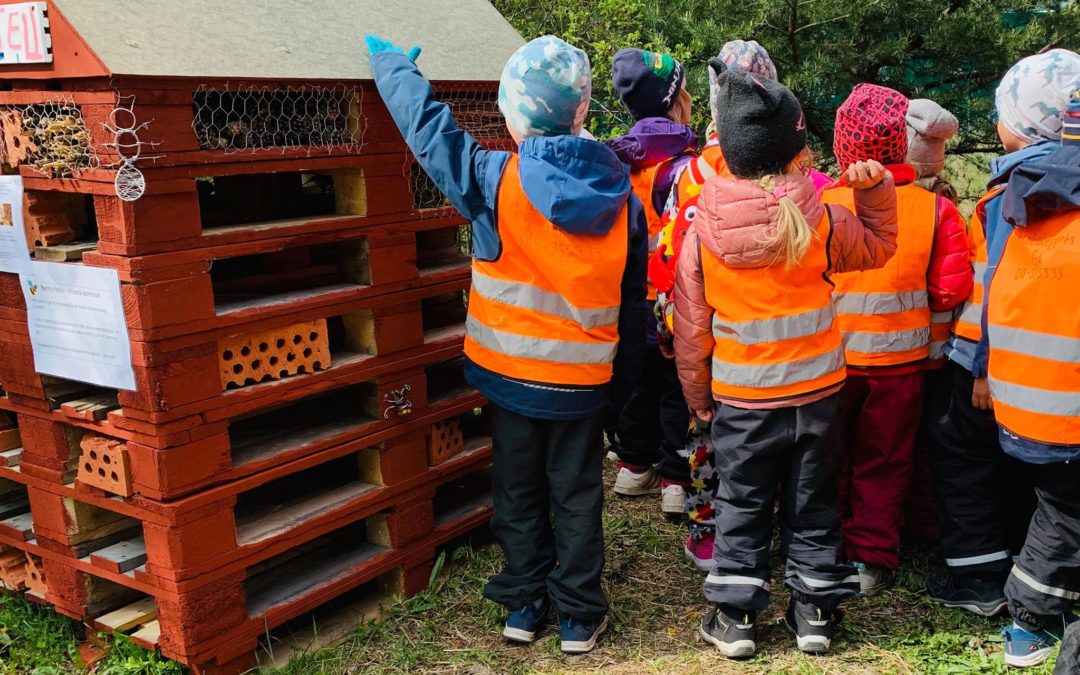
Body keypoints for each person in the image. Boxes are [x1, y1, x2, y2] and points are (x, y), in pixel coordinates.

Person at [365, 34, 648, 654]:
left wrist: (392, 67)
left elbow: (429, 130)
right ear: (583, 111)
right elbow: (633, 308)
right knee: (576, 498)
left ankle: (524, 602)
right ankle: (578, 615)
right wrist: (622, 394)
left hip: (509, 381)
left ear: (512, 114)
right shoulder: (622, 197)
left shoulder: (493, 178)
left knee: (516, 491)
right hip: (582, 389)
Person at [674, 69, 898, 658]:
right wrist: (874, 191)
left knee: (741, 504)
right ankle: (815, 613)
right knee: (813, 502)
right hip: (820, 396)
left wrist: (698, 399)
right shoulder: (821, 217)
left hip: (744, 404)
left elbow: (691, 328)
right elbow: (879, 249)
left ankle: (735, 620)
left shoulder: (703, 230)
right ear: (799, 151)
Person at [926, 52, 1078, 625]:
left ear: (1018, 121)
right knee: (1038, 476)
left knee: (960, 454)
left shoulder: (1012, 195)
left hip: (988, 361)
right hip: (1048, 370)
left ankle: (979, 573)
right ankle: (1020, 564)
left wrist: (983, 368)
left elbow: (996, 291)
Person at [823, 85, 971, 595]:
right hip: (901, 364)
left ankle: (827, 542)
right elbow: (951, 288)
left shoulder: (823, 203)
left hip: (830, 361)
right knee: (884, 459)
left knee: (831, 454)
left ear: (844, 147)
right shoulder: (937, 211)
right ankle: (871, 555)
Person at [649, 40, 788, 569]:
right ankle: (766, 525)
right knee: (768, 438)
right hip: (774, 337)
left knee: (705, 428)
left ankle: (709, 531)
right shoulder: (790, 168)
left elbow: (668, 248)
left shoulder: (693, 172)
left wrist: (667, 323)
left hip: (703, 331)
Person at [987, 62, 1080, 668]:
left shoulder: (1008, 197)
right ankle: (1029, 617)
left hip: (1021, 401)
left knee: (1061, 508)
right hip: (1070, 409)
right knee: (1065, 517)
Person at [606, 48, 698, 515]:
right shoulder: (683, 165)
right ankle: (676, 480)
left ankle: (632, 466)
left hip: (628, 296)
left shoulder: (618, 160)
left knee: (637, 381)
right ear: (675, 100)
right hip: (673, 297)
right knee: (675, 387)